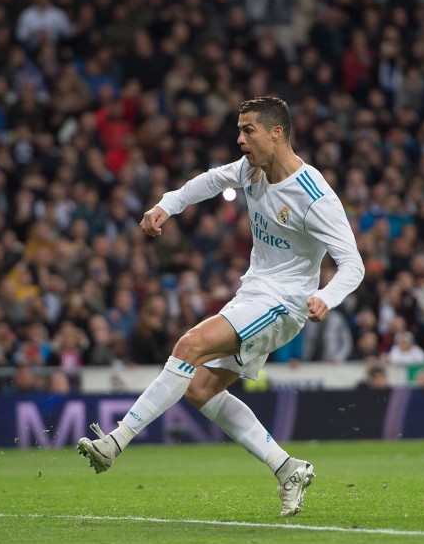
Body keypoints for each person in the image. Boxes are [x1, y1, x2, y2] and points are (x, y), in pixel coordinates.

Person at [77, 97, 365, 516]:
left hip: (284, 303)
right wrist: (166, 206)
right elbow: (209, 181)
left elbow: (352, 263)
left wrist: (327, 296)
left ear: (276, 132)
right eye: (239, 129)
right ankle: (287, 468)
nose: (240, 139)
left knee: (189, 345)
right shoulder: (252, 172)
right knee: (197, 389)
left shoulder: (314, 195)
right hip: (253, 294)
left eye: (248, 130)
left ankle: (116, 440)